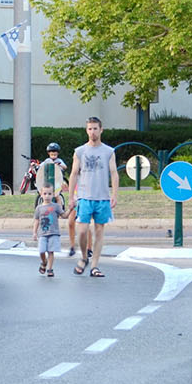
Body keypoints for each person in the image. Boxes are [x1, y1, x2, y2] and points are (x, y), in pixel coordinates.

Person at [69, 117, 118, 278]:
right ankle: (84, 256)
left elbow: (114, 173)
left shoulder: (108, 151)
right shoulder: (80, 151)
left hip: (102, 197)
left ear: (101, 130)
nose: (92, 132)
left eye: (95, 128)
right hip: (84, 196)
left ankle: (95, 266)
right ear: (86, 130)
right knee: (82, 231)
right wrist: (71, 196)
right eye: (90, 129)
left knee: (99, 232)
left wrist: (115, 195)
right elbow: (74, 174)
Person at [33, 184, 64, 277]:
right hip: (42, 233)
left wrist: (71, 209)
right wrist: (34, 232)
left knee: (51, 251)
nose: (47, 196)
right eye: (45, 193)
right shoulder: (39, 208)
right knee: (41, 251)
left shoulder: (56, 206)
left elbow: (64, 215)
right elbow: (36, 220)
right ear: (41, 194)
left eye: (49, 194)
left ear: (53, 194)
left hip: (53, 232)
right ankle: (44, 262)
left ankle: (50, 269)